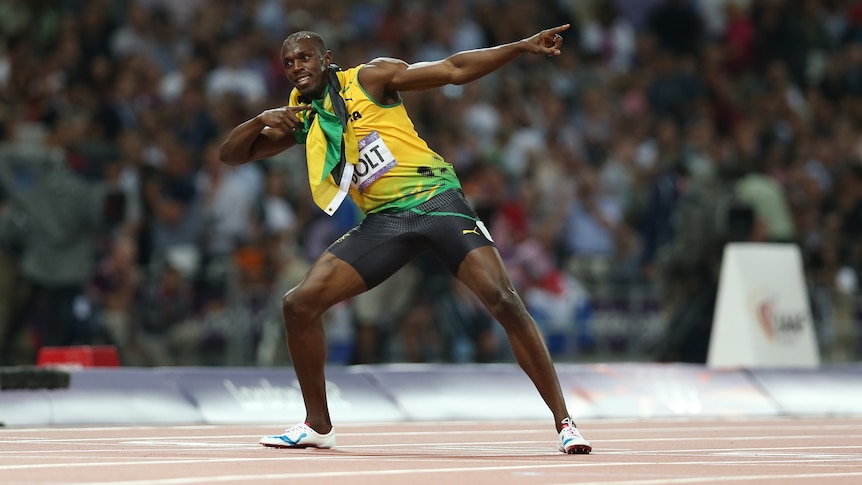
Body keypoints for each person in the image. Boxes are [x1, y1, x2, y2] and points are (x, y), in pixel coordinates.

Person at [219, 24, 592, 455]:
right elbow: (233, 154)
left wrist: (520, 47)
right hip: (386, 222)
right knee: (298, 304)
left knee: (504, 300)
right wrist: (260, 120)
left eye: (304, 57)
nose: (297, 67)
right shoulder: (303, 117)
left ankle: (565, 423)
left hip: (437, 201)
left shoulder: (369, 78)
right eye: (288, 62)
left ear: (326, 58)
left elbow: (452, 69)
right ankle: (317, 424)